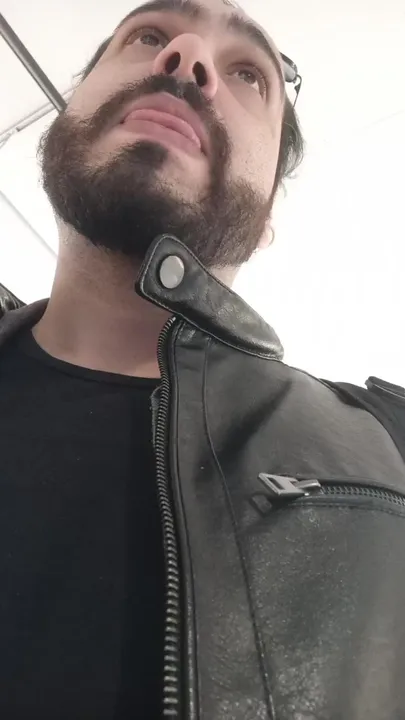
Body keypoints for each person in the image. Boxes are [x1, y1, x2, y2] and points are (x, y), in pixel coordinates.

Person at [0, 0, 405, 718]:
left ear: (267, 215)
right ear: (66, 119)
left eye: (248, 75)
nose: (186, 55)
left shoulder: (392, 445)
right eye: (147, 35)